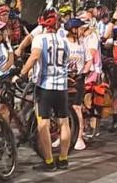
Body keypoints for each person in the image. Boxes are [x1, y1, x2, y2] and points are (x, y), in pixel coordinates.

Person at [19, 11, 72, 170]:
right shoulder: (64, 41)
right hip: (61, 86)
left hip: (45, 86)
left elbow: (34, 56)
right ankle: (63, 158)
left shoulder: (39, 39)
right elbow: (66, 60)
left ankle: (49, 161)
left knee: (44, 124)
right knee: (64, 122)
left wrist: (21, 73)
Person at [63, 18, 91, 151]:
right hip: (65, 78)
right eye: (80, 28)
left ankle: (79, 137)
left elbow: (89, 60)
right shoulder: (63, 43)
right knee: (63, 109)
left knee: (77, 108)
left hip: (78, 79)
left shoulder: (82, 43)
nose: (82, 31)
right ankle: (62, 136)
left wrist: (84, 73)